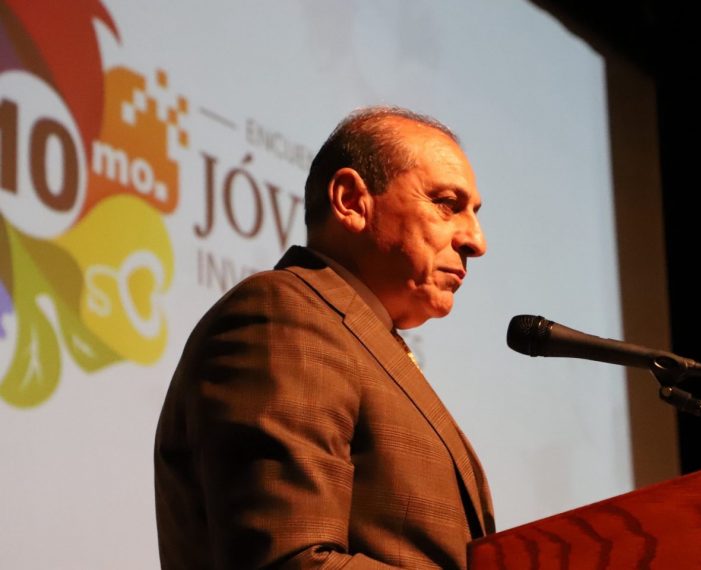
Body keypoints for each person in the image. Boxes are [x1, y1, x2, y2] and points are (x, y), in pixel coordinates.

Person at [154, 106, 493, 569]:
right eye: (447, 204)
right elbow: (290, 559)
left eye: (473, 213)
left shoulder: (357, 336)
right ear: (350, 201)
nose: (476, 240)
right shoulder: (282, 315)